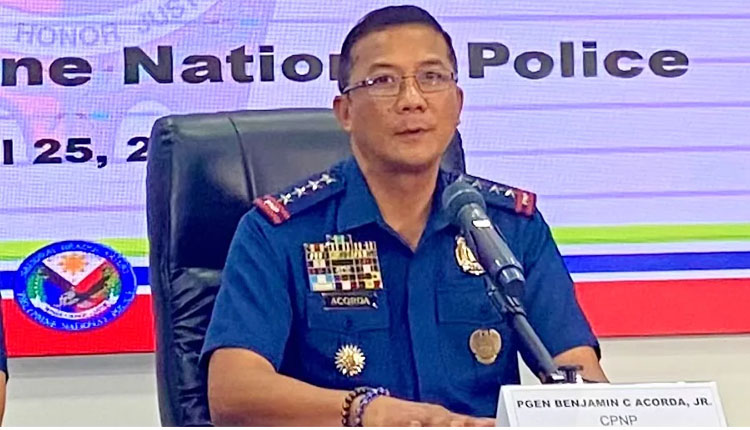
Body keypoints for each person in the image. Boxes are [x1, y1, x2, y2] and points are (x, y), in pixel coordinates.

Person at [201, 5, 606, 426]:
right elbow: (233, 392)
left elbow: (580, 374)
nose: (412, 100)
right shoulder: (278, 233)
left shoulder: (508, 227)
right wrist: (368, 411)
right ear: (345, 112)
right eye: (383, 81)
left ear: (457, 103)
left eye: (431, 77)